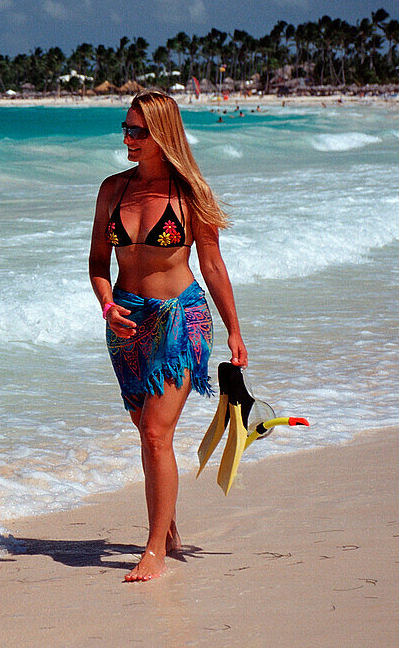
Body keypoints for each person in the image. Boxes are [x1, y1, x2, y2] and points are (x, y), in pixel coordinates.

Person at [88, 90, 247, 582]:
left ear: (163, 135)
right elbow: (97, 262)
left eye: (139, 131)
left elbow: (213, 265)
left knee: (157, 432)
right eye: (126, 129)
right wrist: (108, 306)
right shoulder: (112, 189)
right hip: (127, 318)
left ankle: (154, 550)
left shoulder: (189, 192)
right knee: (144, 427)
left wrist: (236, 331)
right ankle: (167, 526)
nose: (128, 139)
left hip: (181, 318)